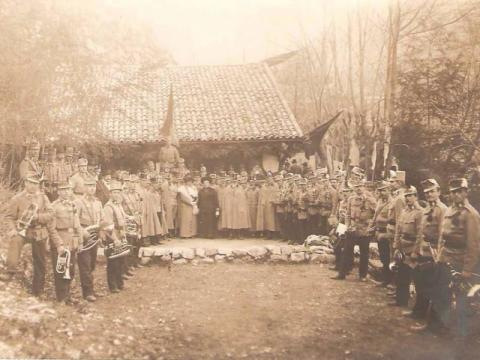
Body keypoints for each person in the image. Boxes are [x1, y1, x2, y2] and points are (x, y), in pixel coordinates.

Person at [431, 178, 480, 338]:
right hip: (445, 258)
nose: (456, 195)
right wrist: (439, 256)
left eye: (459, 191)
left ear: (466, 192)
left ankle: (460, 335)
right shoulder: (449, 211)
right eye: (453, 192)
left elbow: (473, 245)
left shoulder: (471, 214)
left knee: (461, 300)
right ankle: (436, 327)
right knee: (440, 293)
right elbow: (442, 237)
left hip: (459, 262)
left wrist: (467, 270)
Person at [0, 173, 57, 295]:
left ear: (38, 185)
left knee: (40, 261)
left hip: (39, 231)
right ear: (25, 183)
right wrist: (12, 229)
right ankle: (10, 271)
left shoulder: (43, 198)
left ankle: (38, 290)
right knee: (15, 240)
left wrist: (38, 217)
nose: (32, 186)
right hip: (23, 230)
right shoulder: (17, 198)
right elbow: (9, 217)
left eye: (35, 184)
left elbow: (51, 214)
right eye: (30, 182)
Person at [407, 179, 447, 323]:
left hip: (434, 253)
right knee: (421, 283)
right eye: (426, 192)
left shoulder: (442, 210)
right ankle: (419, 311)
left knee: (431, 285)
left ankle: (428, 317)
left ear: (439, 192)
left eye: (432, 191)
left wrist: (439, 256)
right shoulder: (426, 209)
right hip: (423, 251)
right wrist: (415, 251)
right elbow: (420, 233)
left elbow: (443, 235)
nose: (429, 194)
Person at [333, 181, 376, 281]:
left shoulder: (370, 200)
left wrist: (370, 225)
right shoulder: (351, 199)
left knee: (364, 253)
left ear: (364, 187)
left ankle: (363, 275)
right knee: (346, 251)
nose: (358, 188)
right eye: (356, 186)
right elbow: (347, 214)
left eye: (360, 186)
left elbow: (375, 214)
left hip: (364, 229)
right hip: (352, 228)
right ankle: (342, 274)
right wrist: (347, 226)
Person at [50, 182, 84, 304]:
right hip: (61, 241)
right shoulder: (53, 207)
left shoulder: (73, 205)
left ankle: (68, 295)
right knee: (60, 270)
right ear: (58, 191)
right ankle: (61, 298)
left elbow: (78, 225)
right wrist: (59, 244)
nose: (66, 192)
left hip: (72, 241)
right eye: (63, 190)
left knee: (71, 270)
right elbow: (51, 229)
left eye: (68, 190)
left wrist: (80, 242)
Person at [390, 186, 423, 307]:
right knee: (401, 275)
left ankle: (416, 305)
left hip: (412, 247)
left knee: (415, 277)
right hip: (403, 247)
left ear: (416, 196)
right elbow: (398, 230)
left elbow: (420, 234)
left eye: (410, 195)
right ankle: (400, 300)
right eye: (406, 196)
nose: (408, 198)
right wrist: (396, 246)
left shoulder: (420, 213)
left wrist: (416, 251)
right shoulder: (404, 212)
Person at [74, 177, 104, 302]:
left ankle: (90, 288)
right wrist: (82, 233)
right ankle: (88, 292)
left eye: (93, 186)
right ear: (84, 188)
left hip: (94, 236)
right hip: (84, 235)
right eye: (89, 186)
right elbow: (75, 220)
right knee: (85, 264)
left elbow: (102, 220)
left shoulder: (98, 203)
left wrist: (101, 232)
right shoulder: (78, 202)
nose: (91, 188)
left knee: (92, 264)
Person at [103, 181, 128, 293]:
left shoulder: (119, 205)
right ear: (110, 194)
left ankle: (120, 282)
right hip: (112, 235)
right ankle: (112, 285)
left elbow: (122, 220)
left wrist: (123, 232)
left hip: (120, 233)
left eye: (118, 192)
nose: (116, 194)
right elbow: (108, 226)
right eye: (114, 192)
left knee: (121, 259)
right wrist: (115, 239)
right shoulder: (108, 207)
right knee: (113, 261)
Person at [372, 181, 393, 286]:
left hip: (386, 233)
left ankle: (389, 280)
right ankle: (385, 279)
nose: (382, 193)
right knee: (383, 258)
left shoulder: (392, 202)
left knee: (388, 258)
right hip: (379, 232)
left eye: (384, 190)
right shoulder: (380, 201)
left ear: (389, 190)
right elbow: (376, 216)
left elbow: (393, 219)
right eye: (380, 190)